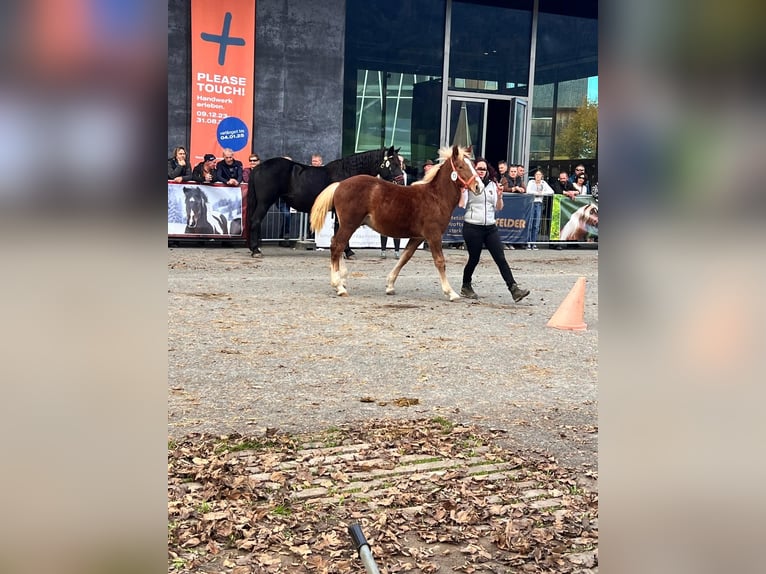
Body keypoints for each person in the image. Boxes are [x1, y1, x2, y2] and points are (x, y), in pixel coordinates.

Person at [458, 158, 530, 303]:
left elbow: (499, 207)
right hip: (473, 226)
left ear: (487, 170)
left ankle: (514, 289)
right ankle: (466, 285)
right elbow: (461, 205)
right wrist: (462, 191)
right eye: (479, 168)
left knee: (500, 258)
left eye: (484, 169)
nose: (481, 171)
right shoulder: (471, 185)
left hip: (490, 227)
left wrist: (500, 195)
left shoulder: (493, 184)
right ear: (474, 169)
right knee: (474, 258)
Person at [380, 155, 407, 257]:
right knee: (384, 226)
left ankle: (397, 250)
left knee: (397, 227)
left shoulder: (403, 174)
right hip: (387, 201)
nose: (400, 163)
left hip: (399, 202)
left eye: (401, 161)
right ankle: (383, 249)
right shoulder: (388, 173)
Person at [525, 168, 554, 250]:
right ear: (534, 176)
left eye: (539, 175)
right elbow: (528, 191)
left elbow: (551, 191)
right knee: (530, 223)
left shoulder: (543, 183)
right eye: (536, 175)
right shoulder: (531, 182)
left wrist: (542, 193)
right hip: (531, 203)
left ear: (542, 176)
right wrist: (537, 193)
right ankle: (528, 243)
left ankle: (534, 243)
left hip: (539, 204)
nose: (538, 176)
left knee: (536, 225)